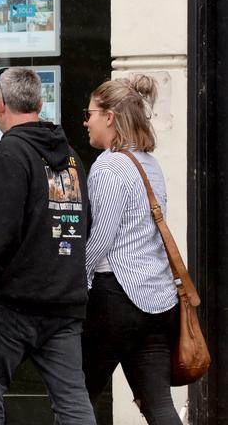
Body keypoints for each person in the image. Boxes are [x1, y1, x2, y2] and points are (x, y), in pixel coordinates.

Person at [0, 67, 96, 425]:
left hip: (11, 302)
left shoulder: (10, 153)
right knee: (72, 400)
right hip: (63, 302)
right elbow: (86, 222)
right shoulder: (71, 158)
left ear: (0, 105)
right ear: (39, 103)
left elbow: (0, 232)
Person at [82, 75, 181, 424]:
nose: (85, 121)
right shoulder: (150, 165)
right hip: (159, 303)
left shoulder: (108, 165)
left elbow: (100, 240)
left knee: (74, 400)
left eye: (90, 113)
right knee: (159, 406)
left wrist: (73, 278)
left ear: (109, 117)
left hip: (116, 300)